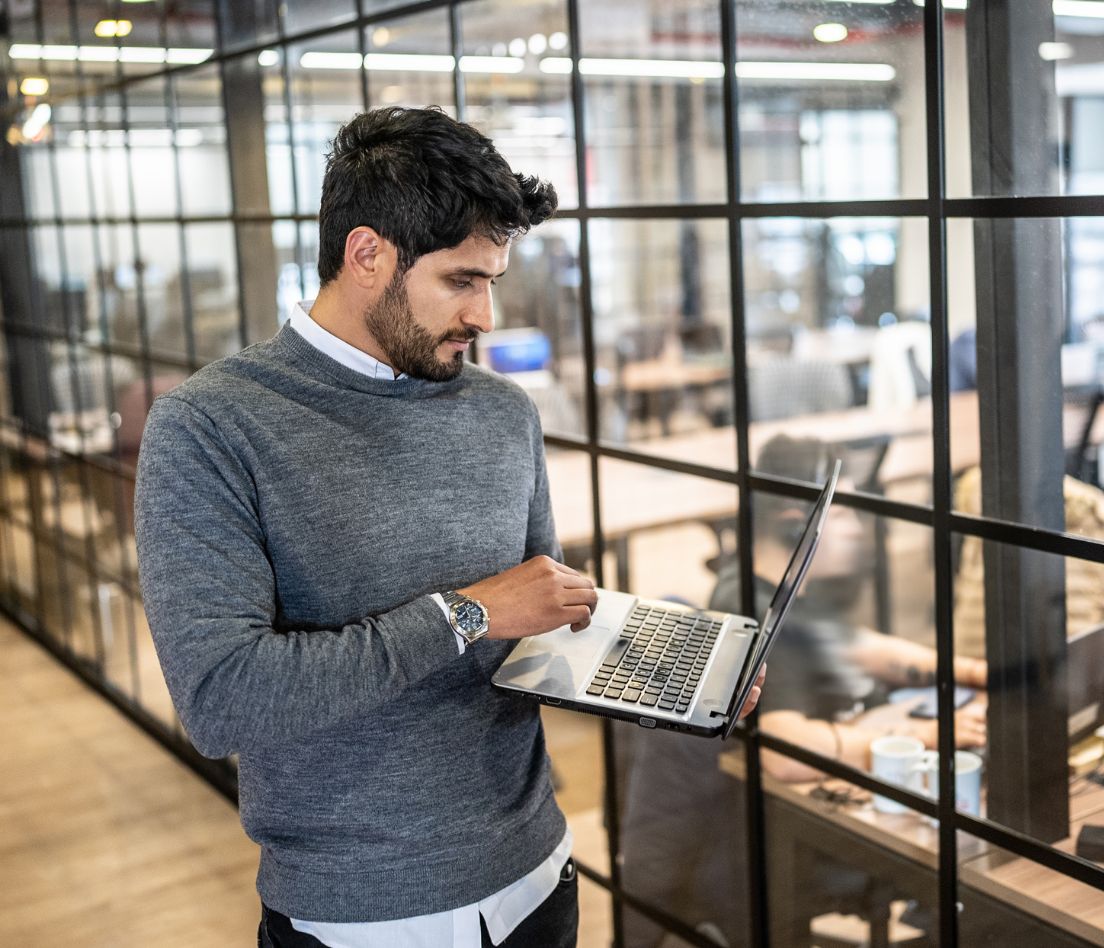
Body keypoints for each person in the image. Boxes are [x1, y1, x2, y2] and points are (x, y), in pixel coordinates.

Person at [135, 107, 764, 948]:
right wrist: (466, 613)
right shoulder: (211, 428)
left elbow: (536, 628)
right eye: (462, 280)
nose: (486, 316)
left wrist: (672, 673)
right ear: (368, 256)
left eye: (493, 282)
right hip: (360, 914)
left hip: (538, 877)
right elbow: (221, 700)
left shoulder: (504, 412)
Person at [618, 435, 986, 947]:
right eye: (843, 515)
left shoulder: (770, 582)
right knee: (970, 863)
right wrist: (926, 735)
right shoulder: (756, 615)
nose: (858, 529)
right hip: (768, 839)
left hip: (766, 825)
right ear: (798, 521)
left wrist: (973, 671)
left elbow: (859, 646)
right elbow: (785, 752)